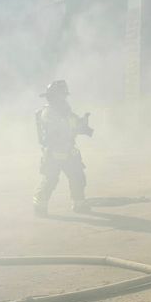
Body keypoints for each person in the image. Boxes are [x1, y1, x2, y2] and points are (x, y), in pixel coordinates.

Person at [33, 80, 93, 216]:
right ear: (53, 96)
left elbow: (73, 124)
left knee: (77, 176)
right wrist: (73, 127)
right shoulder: (48, 112)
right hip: (54, 152)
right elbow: (59, 130)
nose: (64, 98)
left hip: (68, 151)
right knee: (51, 179)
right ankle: (39, 206)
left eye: (64, 95)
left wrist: (83, 125)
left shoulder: (65, 111)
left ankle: (79, 204)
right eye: (61, 95)